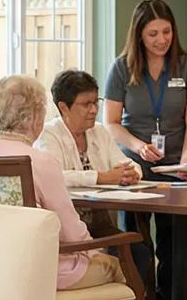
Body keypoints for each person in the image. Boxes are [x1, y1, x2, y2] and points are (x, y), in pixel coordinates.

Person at [0, 74, 133, 300]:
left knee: (84, 263)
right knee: (122, 269)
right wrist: (93, 249)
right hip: (45, 274)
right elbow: (71, 230)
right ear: (36, 116)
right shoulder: (41, 161)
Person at [102, 0, 187, 300]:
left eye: (166, 32)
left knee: (175, 249)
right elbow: (112, 123)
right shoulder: (121, 69)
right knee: (137, 250)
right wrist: (137, 144)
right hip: (134, 171)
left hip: (176, 169)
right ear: (139, 35)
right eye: (152, 34)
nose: (161, 39)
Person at [37, 68, 144, 239]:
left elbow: (128, 164)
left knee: (138, 249)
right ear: (64, 108)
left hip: (101, 224)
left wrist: (131, 173)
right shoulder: (49, 134)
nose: (94, 110)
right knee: (133, 251)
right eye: (86, 104)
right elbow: (54, 177)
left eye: (96, 102)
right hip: (66, 228)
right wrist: (103, 177)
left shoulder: (99, 131)